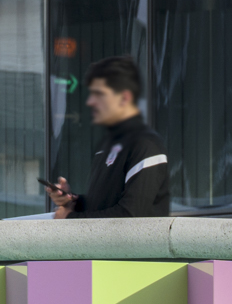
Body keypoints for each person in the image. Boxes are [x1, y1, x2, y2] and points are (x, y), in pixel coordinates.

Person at [45, 57, 169, 217]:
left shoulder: (147, 145)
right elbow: (103, 207)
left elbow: (131, 216)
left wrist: (69, 218)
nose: (90, 102)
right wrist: (73, 201)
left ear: (124, 98)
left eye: (99, 94)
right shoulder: (108, 146)